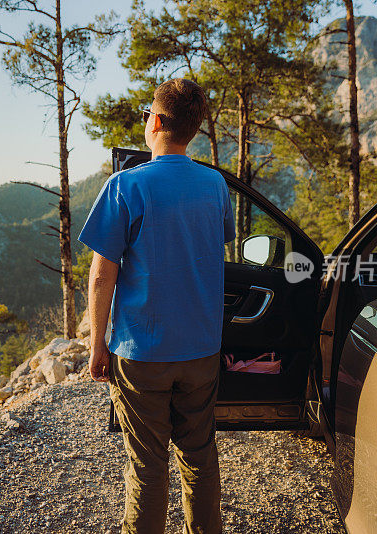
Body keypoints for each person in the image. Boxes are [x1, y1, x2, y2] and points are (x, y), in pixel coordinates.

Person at [77, 78, 235, 534]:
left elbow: (102, 274)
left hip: (141, 352)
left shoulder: (126, 186)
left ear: (158, 121)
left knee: (147, 466)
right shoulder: (215, 185)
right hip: (201, 350)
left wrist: (96, 346)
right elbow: (212, 250)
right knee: (200, 457)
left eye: (148, 112)